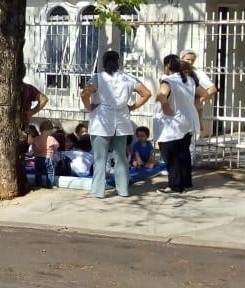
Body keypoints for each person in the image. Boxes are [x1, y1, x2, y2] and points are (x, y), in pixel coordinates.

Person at [81, 50, 152, 199]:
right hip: (121, 121)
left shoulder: (98, 78)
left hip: (101, 121)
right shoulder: (128, 78)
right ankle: (123, 190)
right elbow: (147, 93)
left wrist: (89, 107)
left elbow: (84, 94)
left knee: (100, 159)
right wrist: (133, 106)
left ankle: (98, 191)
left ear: (103, 62)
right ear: (118, 62)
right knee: (121, 158)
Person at [154, 54, 204, 194]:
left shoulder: (168, 80)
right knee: (183, 153)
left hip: (172, 124)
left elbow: (162, 95)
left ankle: (175, 186)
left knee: (171, 155)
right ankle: (186, 182)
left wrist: (166, 108)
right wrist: (194, 105)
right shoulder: (189, 80)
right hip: (187, 121)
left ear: (167, 66)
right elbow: (204, 93)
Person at [33, 120, 60, 189]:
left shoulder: (36, 138)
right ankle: (49, 185)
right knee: (50, 171)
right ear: (48, 130)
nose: (52, 132)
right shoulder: (51, 138)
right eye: (51, 130)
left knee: (38, 172)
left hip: (38, 157)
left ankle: (38, 184)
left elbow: (33, 147)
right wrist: (54, 149)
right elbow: (57, 145)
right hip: (48, 157)